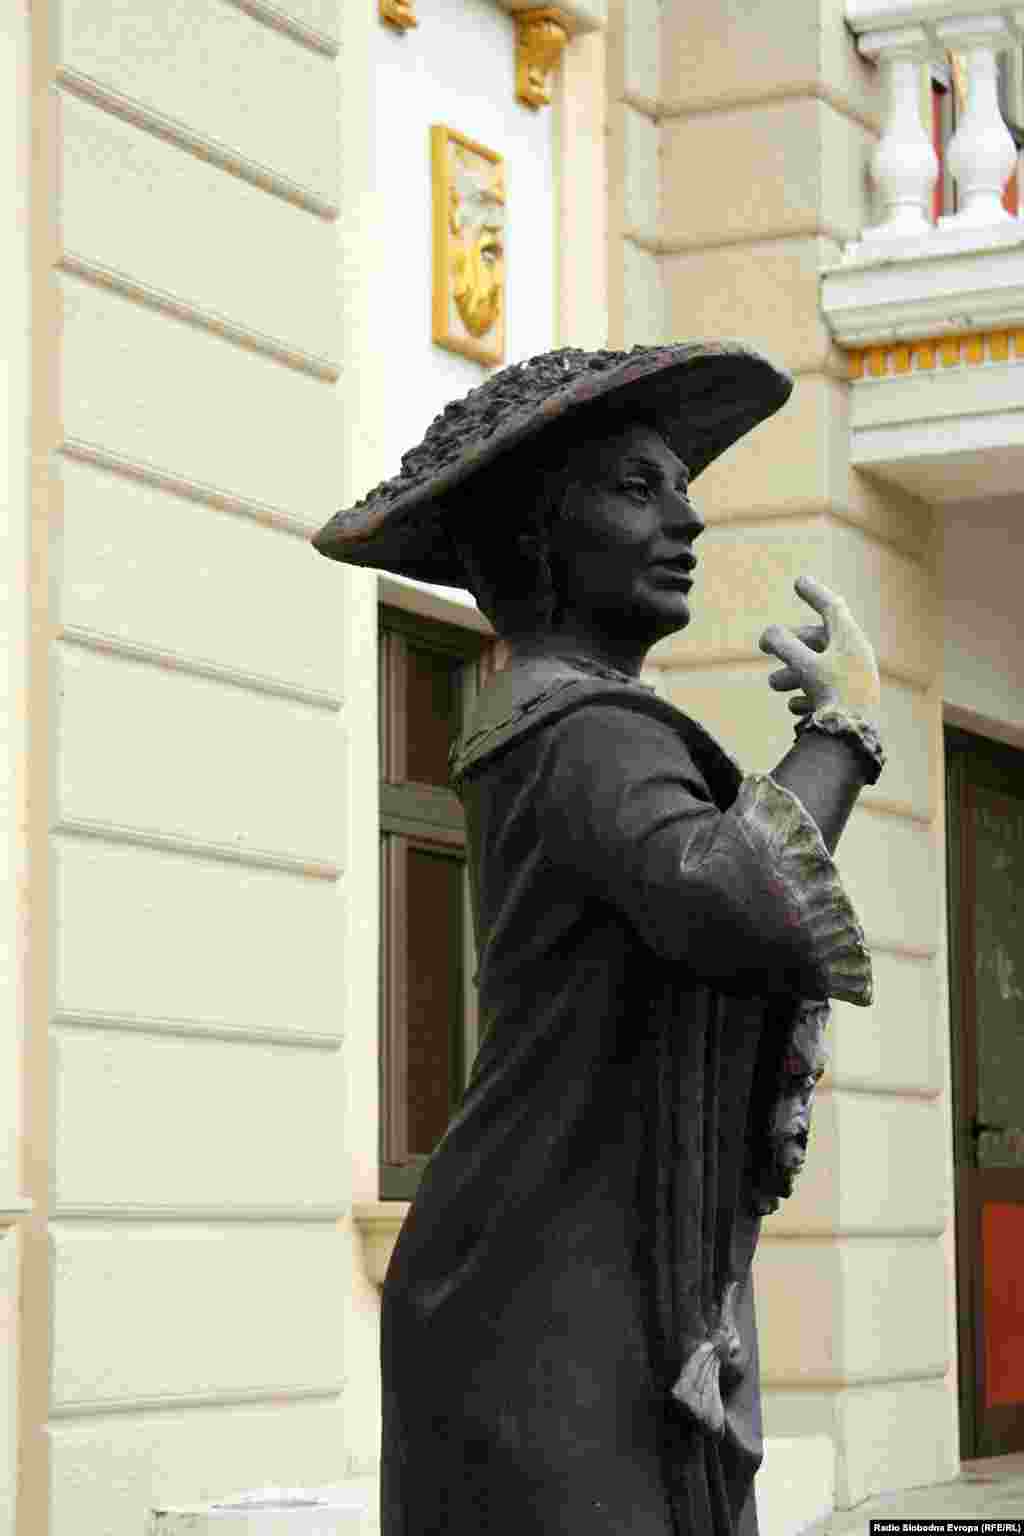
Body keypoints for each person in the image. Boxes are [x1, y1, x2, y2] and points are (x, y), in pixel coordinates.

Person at [312, 343, 886, 1536]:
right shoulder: (588, 735)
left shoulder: (555, 722)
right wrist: (842, 734)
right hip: (545, 1305)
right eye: (637, 487)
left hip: (546, 1281)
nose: (688, 519)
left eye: (681, 486)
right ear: (535, 538)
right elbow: (741, 902)